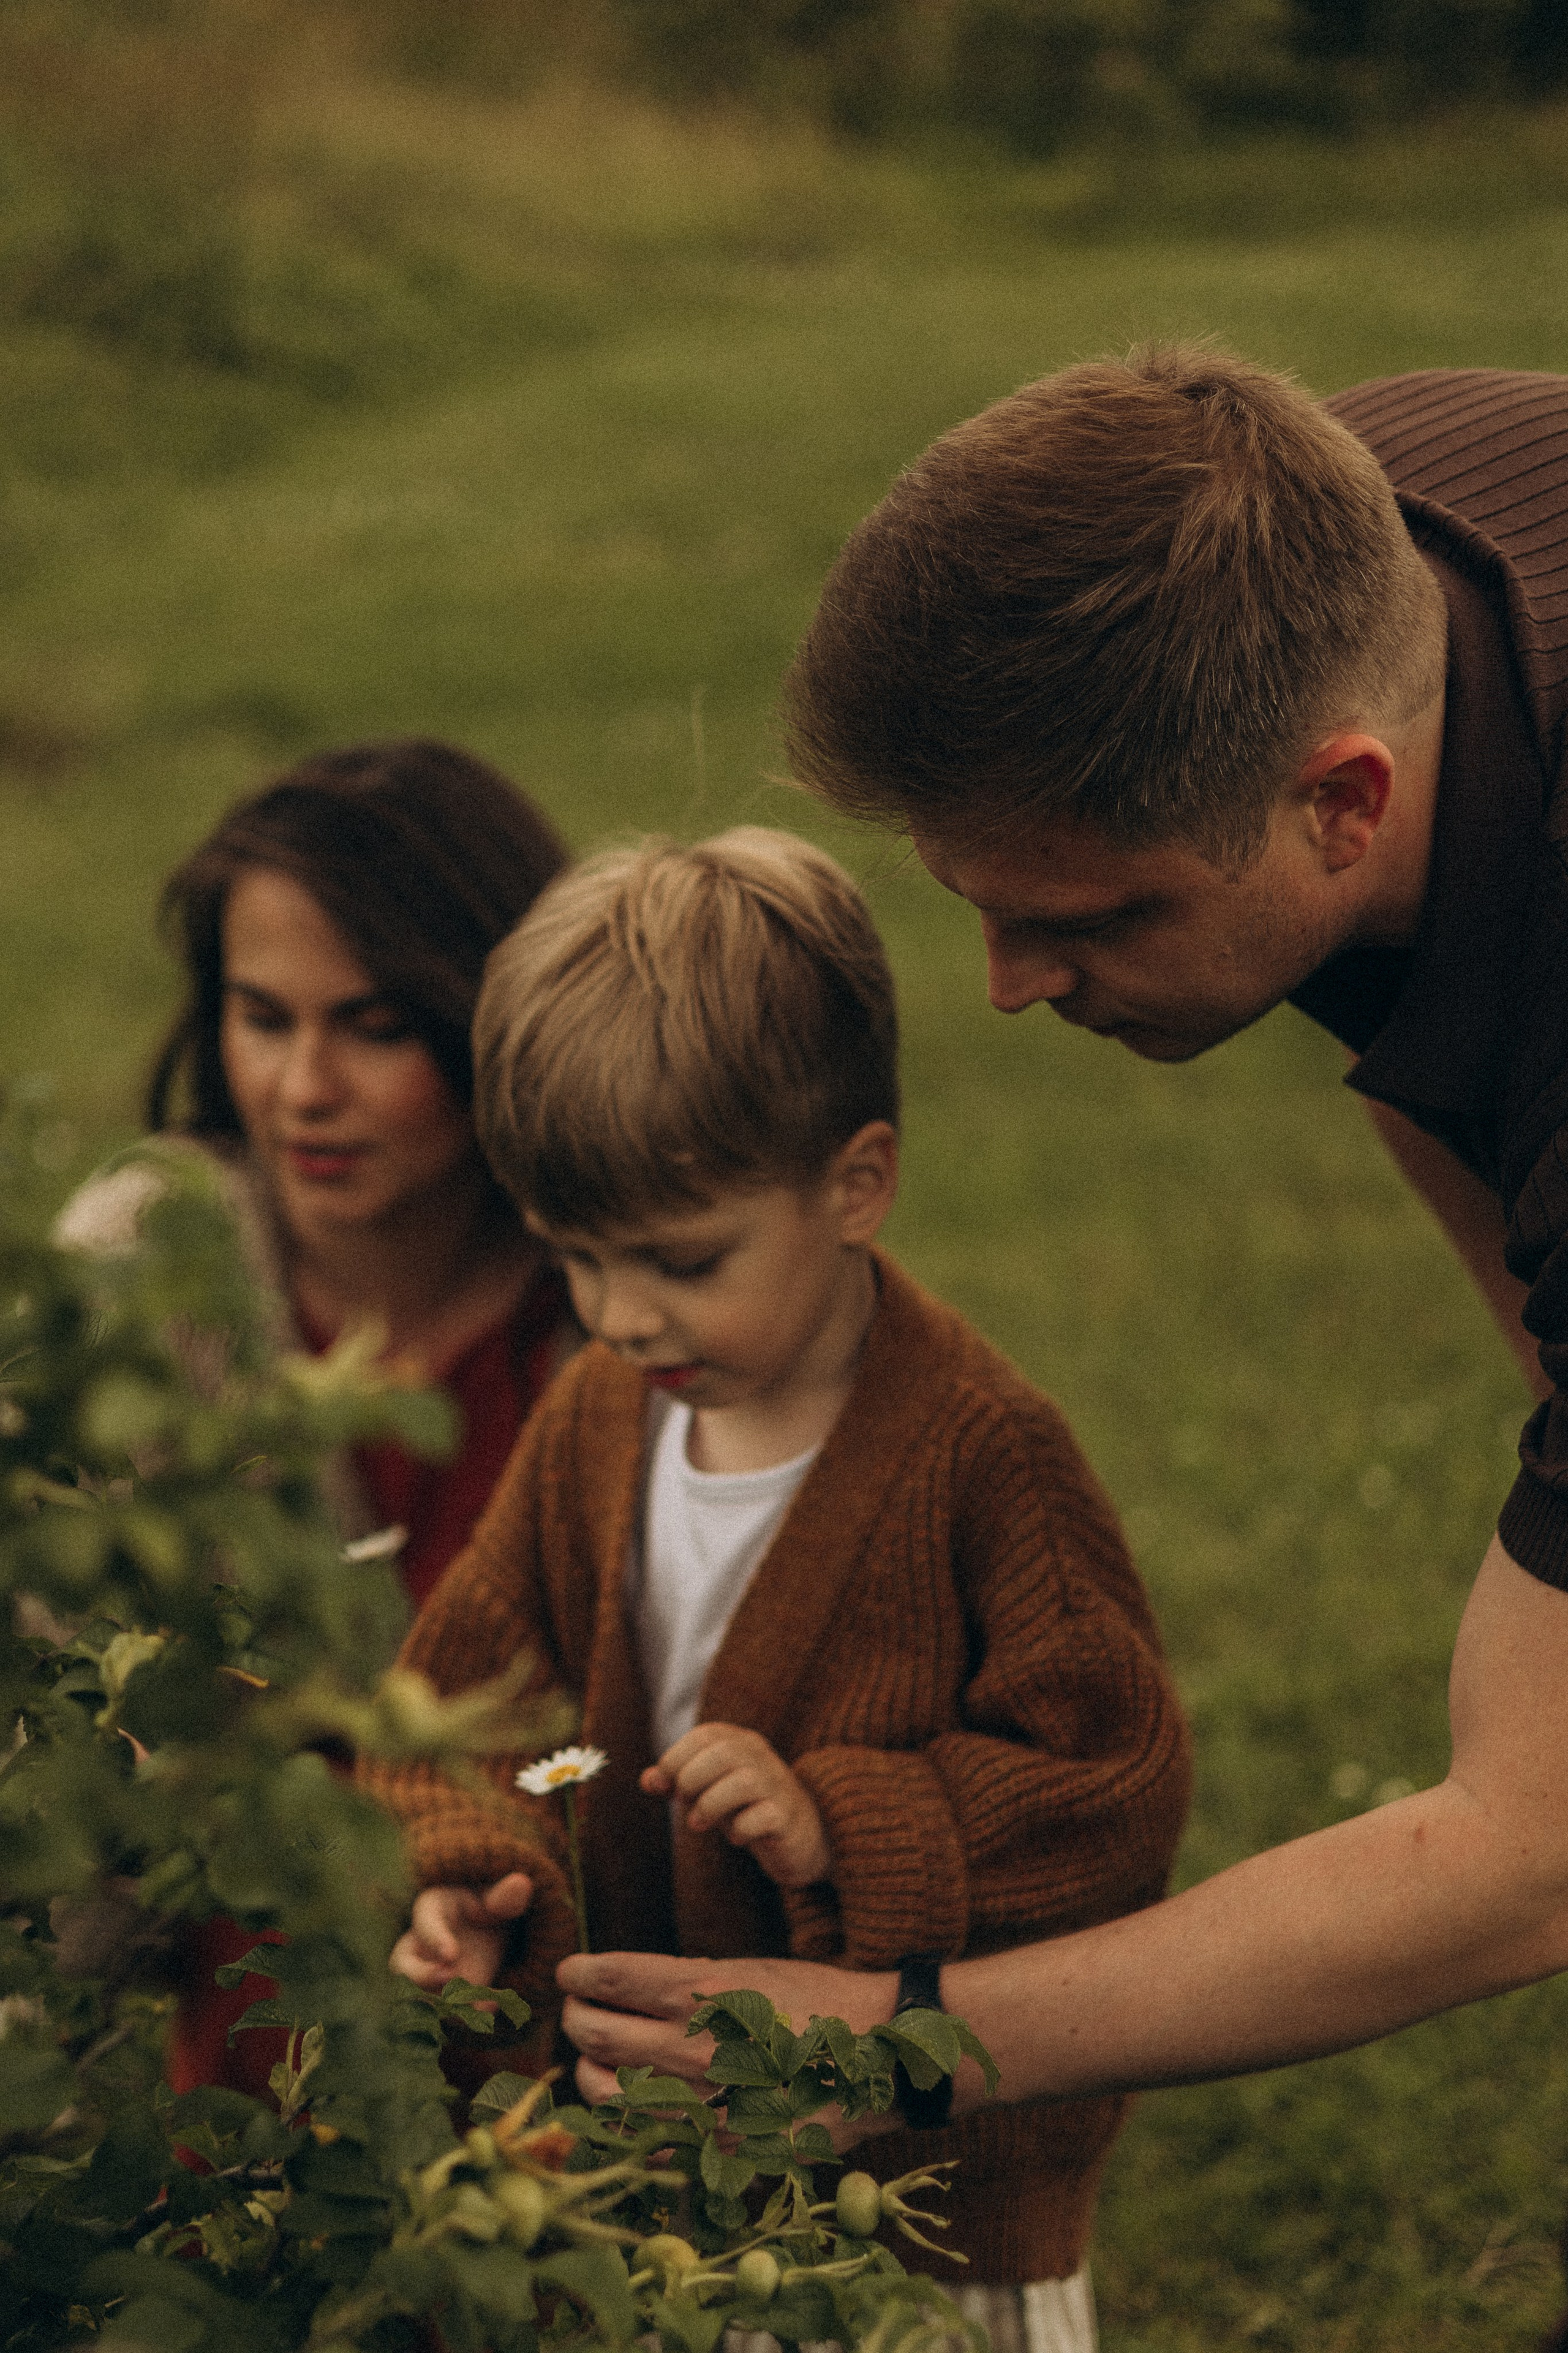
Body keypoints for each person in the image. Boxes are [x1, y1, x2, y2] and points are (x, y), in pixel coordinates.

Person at [548, 352, 1568, 2298]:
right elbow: (1429, 1032)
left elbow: (1531, 1855)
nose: (1010, 987)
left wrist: (909, 2035)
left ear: (1345, 803)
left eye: (1088, 919)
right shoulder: (1340, 538)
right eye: (980, 907)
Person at [361, 828, 1191, 2347]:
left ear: (854, 1181)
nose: (617, 1313)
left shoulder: (978, 1455)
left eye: (678, 1257)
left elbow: (1110, 1786)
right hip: (649, 2176)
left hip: (914, 2204)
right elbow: (467, 1697)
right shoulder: (597, 1421)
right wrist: (468, 1871)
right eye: (574, 1256)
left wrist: (845, 1825)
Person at [56, 736, 580, 2096]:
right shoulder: (146, 1270)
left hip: (554, 2066)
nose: (302, 1088)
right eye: (262, 1015)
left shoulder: (609, 1306)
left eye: (374, 1024)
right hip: (236, 2096)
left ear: (486, 1016)